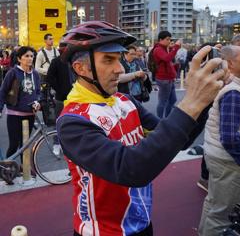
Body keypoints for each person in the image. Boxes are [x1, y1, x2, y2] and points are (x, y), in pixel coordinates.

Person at [56, 21, 227, 236]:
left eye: (118, 59)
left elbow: (177, 138)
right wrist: (191, 102)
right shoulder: (72, 120)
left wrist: (204, 100)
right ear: (80, 68)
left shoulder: (124, 100)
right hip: (102, 232)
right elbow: (130, 168)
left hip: (142, 223)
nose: (119, 69)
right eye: (108, 60)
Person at [199, 45, 240, 236]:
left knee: (213, 204)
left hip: (218, 156)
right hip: (229, 161)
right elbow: (229, 136)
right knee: (222, 215)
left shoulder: (231, 84)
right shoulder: (233, 90)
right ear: (231, 63)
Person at [0, 46, 40, 162]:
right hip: (14, 114)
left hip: (30, 114)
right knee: (14, 144)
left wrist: (37, 102)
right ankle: (7, 168)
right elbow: (3, 91)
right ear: (19, 59)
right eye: (26, 56)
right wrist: (0, 108)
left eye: (31, 56)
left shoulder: (35, 74)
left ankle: (24, 168)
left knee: (25, 145)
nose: (30, 58)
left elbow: (38, 92)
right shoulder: (13, 73)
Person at [46, 41, 75, 155]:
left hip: (74, 96)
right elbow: (49, 78)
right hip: (61, 97)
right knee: (58, 121)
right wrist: (59, 89)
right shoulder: (56, 62)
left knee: (72, 121)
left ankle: (68, 144)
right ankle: (57, 144)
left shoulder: (73, 61)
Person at [153, 31, 181, 118]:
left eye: (170, 39)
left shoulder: (163, 48)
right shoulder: (158, 49)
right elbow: (167, 59)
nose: (169, 41)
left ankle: (166, 118)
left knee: (173, 100)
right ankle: (159, 121)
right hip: (164, 79)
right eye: (167, 39)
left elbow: (167, 62)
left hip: (168, 78)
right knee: (163, 101)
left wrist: (174, 68)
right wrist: (176, 47)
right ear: (160, 40)